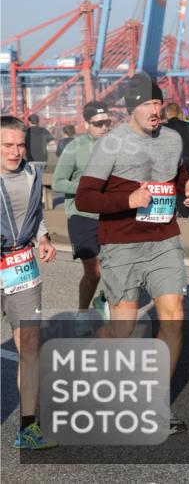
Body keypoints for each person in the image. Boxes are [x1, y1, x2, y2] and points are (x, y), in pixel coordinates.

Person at [75, 73, 189, 436]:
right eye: (147, 104)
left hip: (164, 240)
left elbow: (176, 177)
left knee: (174, 317)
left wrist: (187, 187)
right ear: (131, 108)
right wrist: (127, 199)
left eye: (158, 103)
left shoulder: (173, 139)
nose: (155, 110)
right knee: (121, 329)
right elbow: (85, 198)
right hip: (122, 245)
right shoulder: (112, 144)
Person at [1, 116, 58, 449]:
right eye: (7, 145)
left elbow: (35, 212)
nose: (15, 151)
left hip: (22, 266)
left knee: (30, 346)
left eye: (20, 145)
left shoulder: (33, 173)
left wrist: (44, 237)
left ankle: (28, 427)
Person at [52, 101, 112, 325]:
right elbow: (58, 182)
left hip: (110, 214)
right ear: (86, 124)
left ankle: (105, 299)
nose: (104, 127)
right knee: (94, 271)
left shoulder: (117, 146)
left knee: (119, 267)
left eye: (107, 122)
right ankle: (83, 313)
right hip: (82, 216)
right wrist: (85, 188)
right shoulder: (74, 148)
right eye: (98, 124)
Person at [164, 103, 189, 218]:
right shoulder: (188, 126)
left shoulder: (164, 128)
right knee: (186, 184)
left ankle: (180, 210)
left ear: (167, 113)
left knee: (172, 184)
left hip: (171, 160)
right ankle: (186, 210)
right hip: (187, 159)